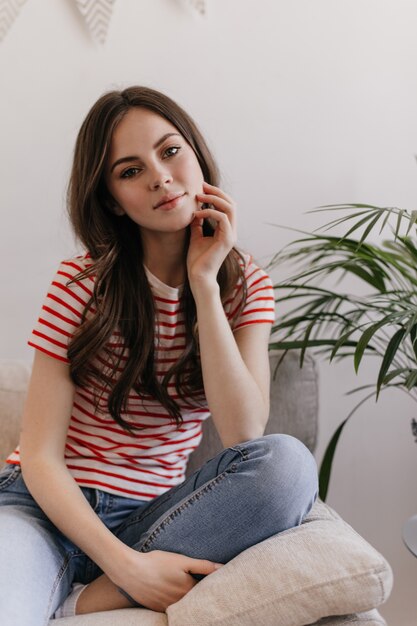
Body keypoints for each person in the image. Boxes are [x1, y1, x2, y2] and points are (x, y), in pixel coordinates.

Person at [0, 86, 318, 624]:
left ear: (196, 154)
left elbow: (244, 432)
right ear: (111, 199)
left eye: (170, 151)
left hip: (154, 515)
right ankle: (87, 590)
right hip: (44, 511)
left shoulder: (248, 288)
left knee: (287, 466)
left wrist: (204, 283)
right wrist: (127, 568)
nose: (159, 176)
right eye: (130, 171)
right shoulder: (82, 285)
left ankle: (78, 598)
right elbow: (40, 458)